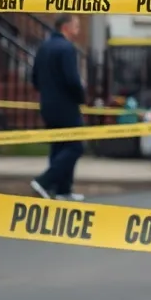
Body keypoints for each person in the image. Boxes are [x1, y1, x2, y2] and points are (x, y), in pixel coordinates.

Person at [30, 15, 88, 201]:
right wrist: (81, 97)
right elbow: (72, 80)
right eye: (76, 26)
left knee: (59, 146)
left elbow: (34, 78)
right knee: (75, 146)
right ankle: (44, 181)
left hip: (47, 105)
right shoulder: (66, 48)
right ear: (66, 27)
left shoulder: (44, 47)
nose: (78, 31)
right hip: (66, 106)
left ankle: (62, 190)